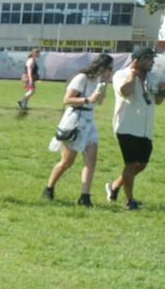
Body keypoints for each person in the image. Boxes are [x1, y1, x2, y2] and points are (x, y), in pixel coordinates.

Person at [44, 53, 114, 206]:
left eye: (111, 69)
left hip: (89, 120)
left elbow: (100, 102)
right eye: (108, 68)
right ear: (100, 66)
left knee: (91, 161)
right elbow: (67, 100)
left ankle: (85, 196)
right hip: (74, 120)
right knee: (67, 162)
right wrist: (87, 99)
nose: (110, 71)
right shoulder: (82, 78)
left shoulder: (99, 80)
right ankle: (49, 188)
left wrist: (105, 84)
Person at [107, 46, 163, 210]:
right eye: (148, 59)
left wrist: (162, 90)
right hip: (126, 125)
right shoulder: (122, 74)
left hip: (145, 128)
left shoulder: (154, 77)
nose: (152, 62)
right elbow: (126, 91)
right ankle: (129, 200)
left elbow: (158, 101)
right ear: (137, 60)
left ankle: (114, 186)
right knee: (130, 163)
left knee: (142, 164)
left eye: (152, 59)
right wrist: (133, 75)